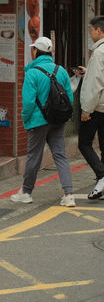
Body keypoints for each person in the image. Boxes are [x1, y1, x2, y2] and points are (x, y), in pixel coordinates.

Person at [11, 36, 75, 207]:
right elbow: (69, 98)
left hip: (38, 122)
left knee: (34, 157)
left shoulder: (32, 73)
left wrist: (26, 119)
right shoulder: (60, 71)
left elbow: (28, 103)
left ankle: (26, 192)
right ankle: (69, 194)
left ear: (35, 51)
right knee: (60, 155)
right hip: (58, 120)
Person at [76, 15, 104, 200]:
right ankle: (101, 185)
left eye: (90, 30)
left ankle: (102, 176)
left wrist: (86, 110)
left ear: (99, 30)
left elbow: (96, 84)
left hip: (97, 107)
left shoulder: (99, 53)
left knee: (84, 143)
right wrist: (88, 72)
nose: (89, 33)